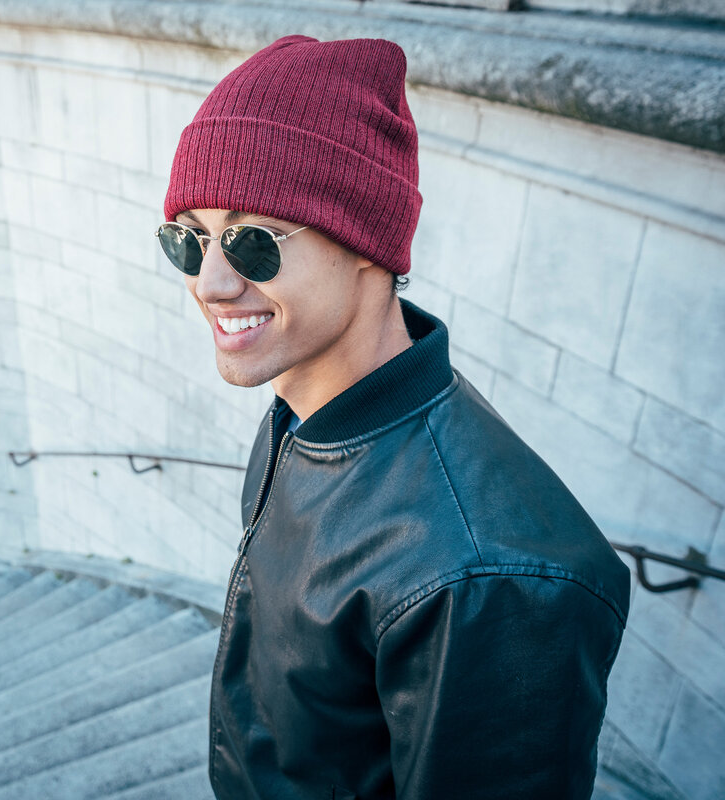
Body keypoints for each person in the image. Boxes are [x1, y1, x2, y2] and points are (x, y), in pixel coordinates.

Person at [155, 35, 631, 800]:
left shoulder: (486, 580)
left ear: (366, 241)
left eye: (252, 241)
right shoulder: (303, 414)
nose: (210, 282)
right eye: (190, 239)